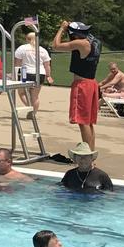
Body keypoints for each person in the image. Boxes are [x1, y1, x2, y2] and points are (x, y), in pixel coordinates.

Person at [52, 20, 102, 150]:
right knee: (89, 122)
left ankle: (87, 154)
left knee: (82, 121)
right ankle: (91, 152)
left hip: (82, 85)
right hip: (92, 83)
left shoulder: (80, 43)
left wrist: (62, 29)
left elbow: (55, 46)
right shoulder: (95, 42)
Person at [13, 31, 53, 111]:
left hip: (25, 71)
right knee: (35, 96)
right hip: (40, 73)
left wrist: (15, 75)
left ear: (27, 39)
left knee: (22, 93)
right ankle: (33, 113)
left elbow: (17, 64)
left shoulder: (22, 48)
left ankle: (30, 107)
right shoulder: (43, 50)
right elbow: (47, 65)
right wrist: (48, 76)